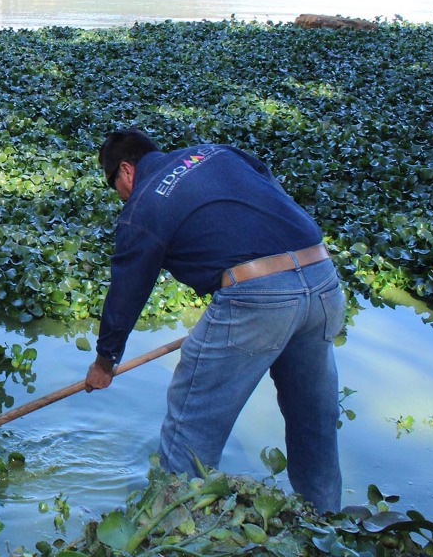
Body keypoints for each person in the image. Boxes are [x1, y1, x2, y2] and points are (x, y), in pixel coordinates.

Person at [85, 129, 344, 513]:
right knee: (313, 420)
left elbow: (127, 291)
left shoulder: (143, 204)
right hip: (322, 279)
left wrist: (104, 362)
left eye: (114, 186)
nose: (120, 196)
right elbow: (268, 193)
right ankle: (326, 524)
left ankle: (175, 527)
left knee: (189, 423)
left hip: (257, 297)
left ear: (125, 170)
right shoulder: (218, 153)